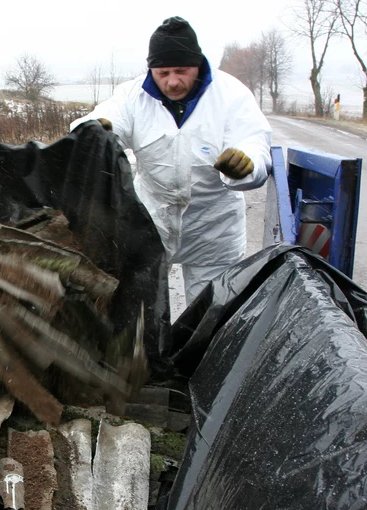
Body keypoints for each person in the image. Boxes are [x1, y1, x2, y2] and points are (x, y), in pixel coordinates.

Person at [71, 16, 273, 303]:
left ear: (198, 65)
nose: (173, 81)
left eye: (182, 71)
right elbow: (105, 120)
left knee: (210, 313)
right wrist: (94, 129)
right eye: (163, 73)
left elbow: (254, 142)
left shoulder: (231, 95)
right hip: (152, 220)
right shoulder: (133, 97)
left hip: (213, 227)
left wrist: (246, 164)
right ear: (151, 68)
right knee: (140, 306)